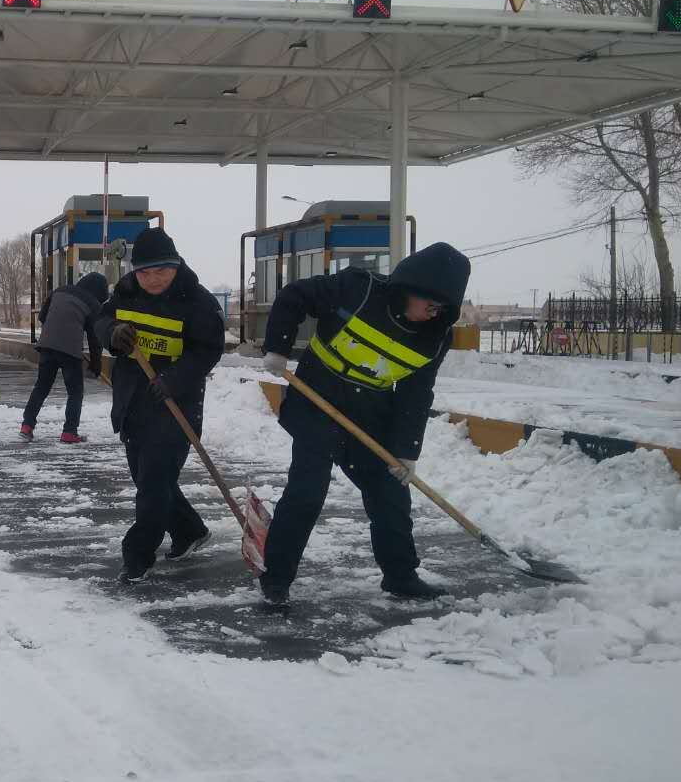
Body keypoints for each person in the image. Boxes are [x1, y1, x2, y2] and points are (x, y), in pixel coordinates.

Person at [256, 242, 471, 605]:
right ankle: (276, 577)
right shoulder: (359, 289)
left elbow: (416, 394)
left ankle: (401, 576)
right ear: (412, 288)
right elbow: (294, 296)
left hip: (369, 415)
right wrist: (278, 348)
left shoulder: (435, 337)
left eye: (442, 310)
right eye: (430, 305)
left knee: (390, 493)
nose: (433, 315)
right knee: (308, 490)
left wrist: (405, 451)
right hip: (316, 402)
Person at [95, 228, 224, 583]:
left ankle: (138, 555)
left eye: (161, 271)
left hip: (174, 405)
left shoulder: (198, 302)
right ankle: (190, 531)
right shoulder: (125, 293)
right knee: (151, 479)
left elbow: (207, 350)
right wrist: (112, 332)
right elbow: (100, 320)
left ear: (176, 266)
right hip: (132, 402)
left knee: (153, 482)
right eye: (145, 272)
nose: (152, 280)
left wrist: (175, 379)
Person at [20, 272, 109, 444]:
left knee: (41, 387)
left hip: (46, 346)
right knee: (75, 393)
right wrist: (96, 366)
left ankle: (27, 426)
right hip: (70, 351)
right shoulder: (93, 304)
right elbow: (95, 339)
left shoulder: (59, 291)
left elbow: (42, 317)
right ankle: (69, 432)